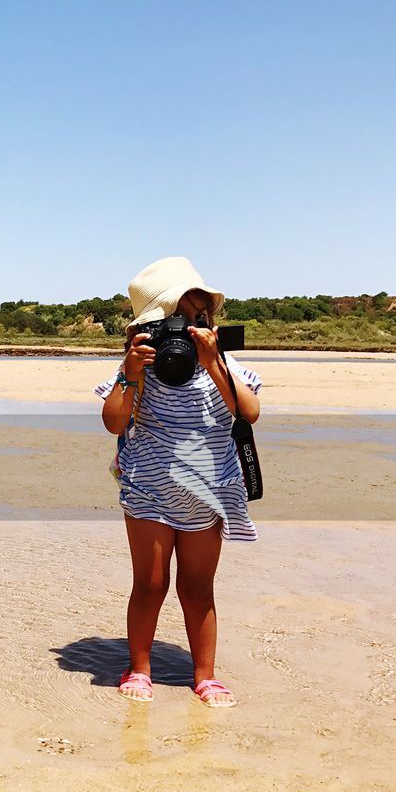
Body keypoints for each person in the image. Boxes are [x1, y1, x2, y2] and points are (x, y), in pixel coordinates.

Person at [98, 257, 262, 708]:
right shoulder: (139, 369)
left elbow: (247, 412)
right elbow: (114, 422)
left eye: (199, 319)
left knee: (197, 586)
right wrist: (131, 374)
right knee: (149, 584)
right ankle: (141, 667)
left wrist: (213, 363)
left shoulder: (223, 366)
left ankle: (205, 675)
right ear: (149, 328)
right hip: (149, 489)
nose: (189, 329)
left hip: (208, 493)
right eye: (177, 321)